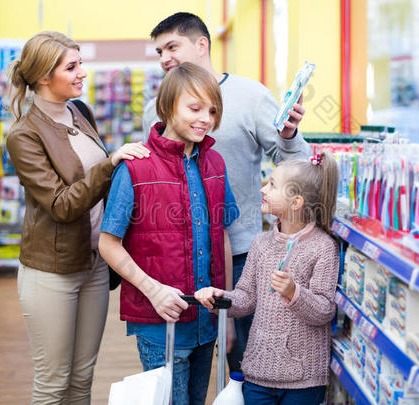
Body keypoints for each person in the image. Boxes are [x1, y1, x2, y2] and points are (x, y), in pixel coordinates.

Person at [143, 12, 312, 372]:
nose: (164, 58)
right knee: (184, 363)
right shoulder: (153, 110)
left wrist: (288, 136)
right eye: (159, 51)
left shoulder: (251, 96)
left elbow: (296, 162)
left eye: (172, 46)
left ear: (202, 45)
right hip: (178, 259)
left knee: (245, 362)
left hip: (240, 254)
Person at [6, 31, 149, 404]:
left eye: (80, 63)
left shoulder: (80, 112)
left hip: (95, 266)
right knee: (53, 383)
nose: (82, 73)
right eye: (72, 67)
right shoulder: (24, 135)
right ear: (42, 77)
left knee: (83, 378)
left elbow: (98, 190)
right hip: (51, 271)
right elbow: (61, 205)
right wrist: (110, 163)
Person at [98, 62, 240, 405]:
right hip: (159, 323)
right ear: (166, 106)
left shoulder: (215, 164)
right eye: (194, 108)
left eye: (212, 110)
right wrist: (154, 291)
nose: (205, 118)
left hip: (207, 322)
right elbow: (108, 243)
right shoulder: (136, 166)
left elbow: (220, 236)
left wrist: (229, 312)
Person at [195, 151, 340, 405]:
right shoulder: (261, 244)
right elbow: (246, 299)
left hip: (303, 380)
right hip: (259, 373)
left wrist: (294, 292)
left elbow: (324, 311)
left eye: (272, 185)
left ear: (295, 203)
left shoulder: (323, 247)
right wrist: (222, 298)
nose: (263, 189)